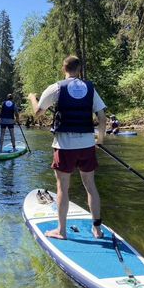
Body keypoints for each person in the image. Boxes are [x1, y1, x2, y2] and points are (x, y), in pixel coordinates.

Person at [28, 55, 106, 240]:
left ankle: (61, 231)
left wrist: (33, 98)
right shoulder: (90, 89)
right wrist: (100, 140)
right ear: (79, 70)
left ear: (64, 69)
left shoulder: (56, 87)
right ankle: (97, 230)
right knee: (90, 186)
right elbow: (102, 118)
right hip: (87, 144)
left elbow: (38, 113)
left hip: (64, 146)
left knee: (63, 187)